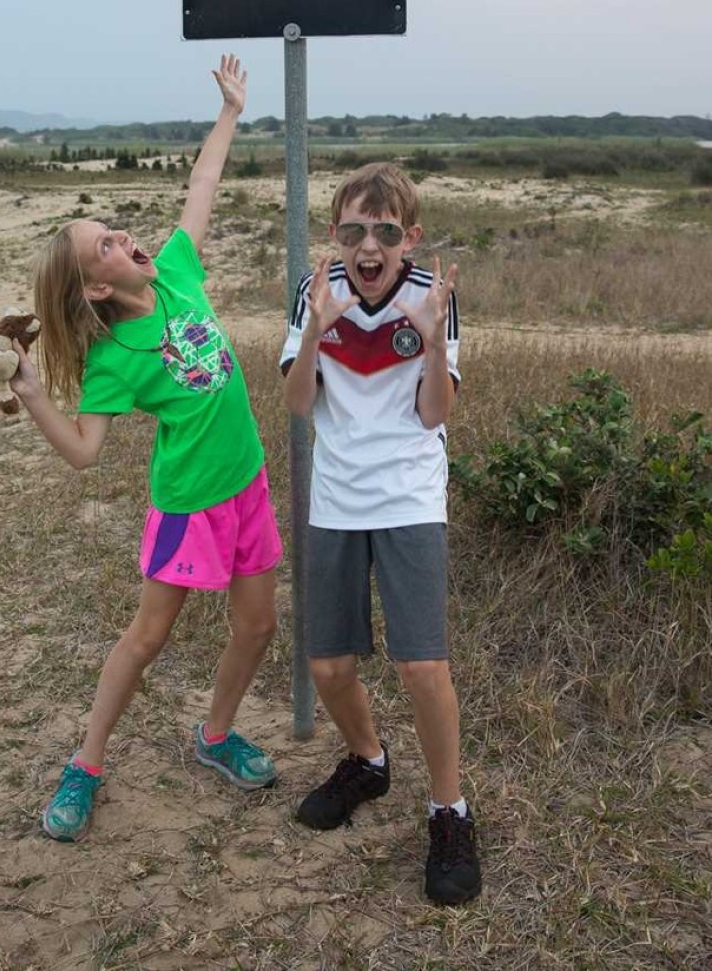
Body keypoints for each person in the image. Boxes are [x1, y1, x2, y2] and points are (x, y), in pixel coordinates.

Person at [10, 55, 282, 842]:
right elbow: (86, 451)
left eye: (113, 230)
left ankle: (215, 733)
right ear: (95, 287)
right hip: (186, 504)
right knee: (148, 637)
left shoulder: (173, 273)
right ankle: (85, 763)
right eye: (104, 245)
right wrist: (33, 395)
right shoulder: (112, 359)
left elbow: (200, 190)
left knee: (258, 626)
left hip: (247, 486)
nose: (122, 237)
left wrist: (230, 112)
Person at [280, 161, 481, 905]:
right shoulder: (317, 290)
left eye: (386, 232)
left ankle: (448, 810)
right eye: (354, 230)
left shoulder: (432, 296)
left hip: (408, 496)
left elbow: (434, 414)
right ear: (335, 234)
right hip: (335, 499)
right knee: (328, 665)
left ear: (410, 238)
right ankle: (367, 759)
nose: (370, 246)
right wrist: (315, 333)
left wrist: (430, 343)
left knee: (421, 666)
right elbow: (300, 405)